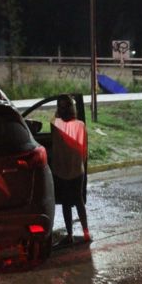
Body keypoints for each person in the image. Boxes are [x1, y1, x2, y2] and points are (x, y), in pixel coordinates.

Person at [51, 94, 91, 245]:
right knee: (79, 200)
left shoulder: (56, 124)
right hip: (77, 169)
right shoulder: (80, 125)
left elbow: (55, 148)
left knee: (66, 203)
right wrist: (83, 164)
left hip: (62, 170)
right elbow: (84, 149)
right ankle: (86, 232)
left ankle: (70, 235)